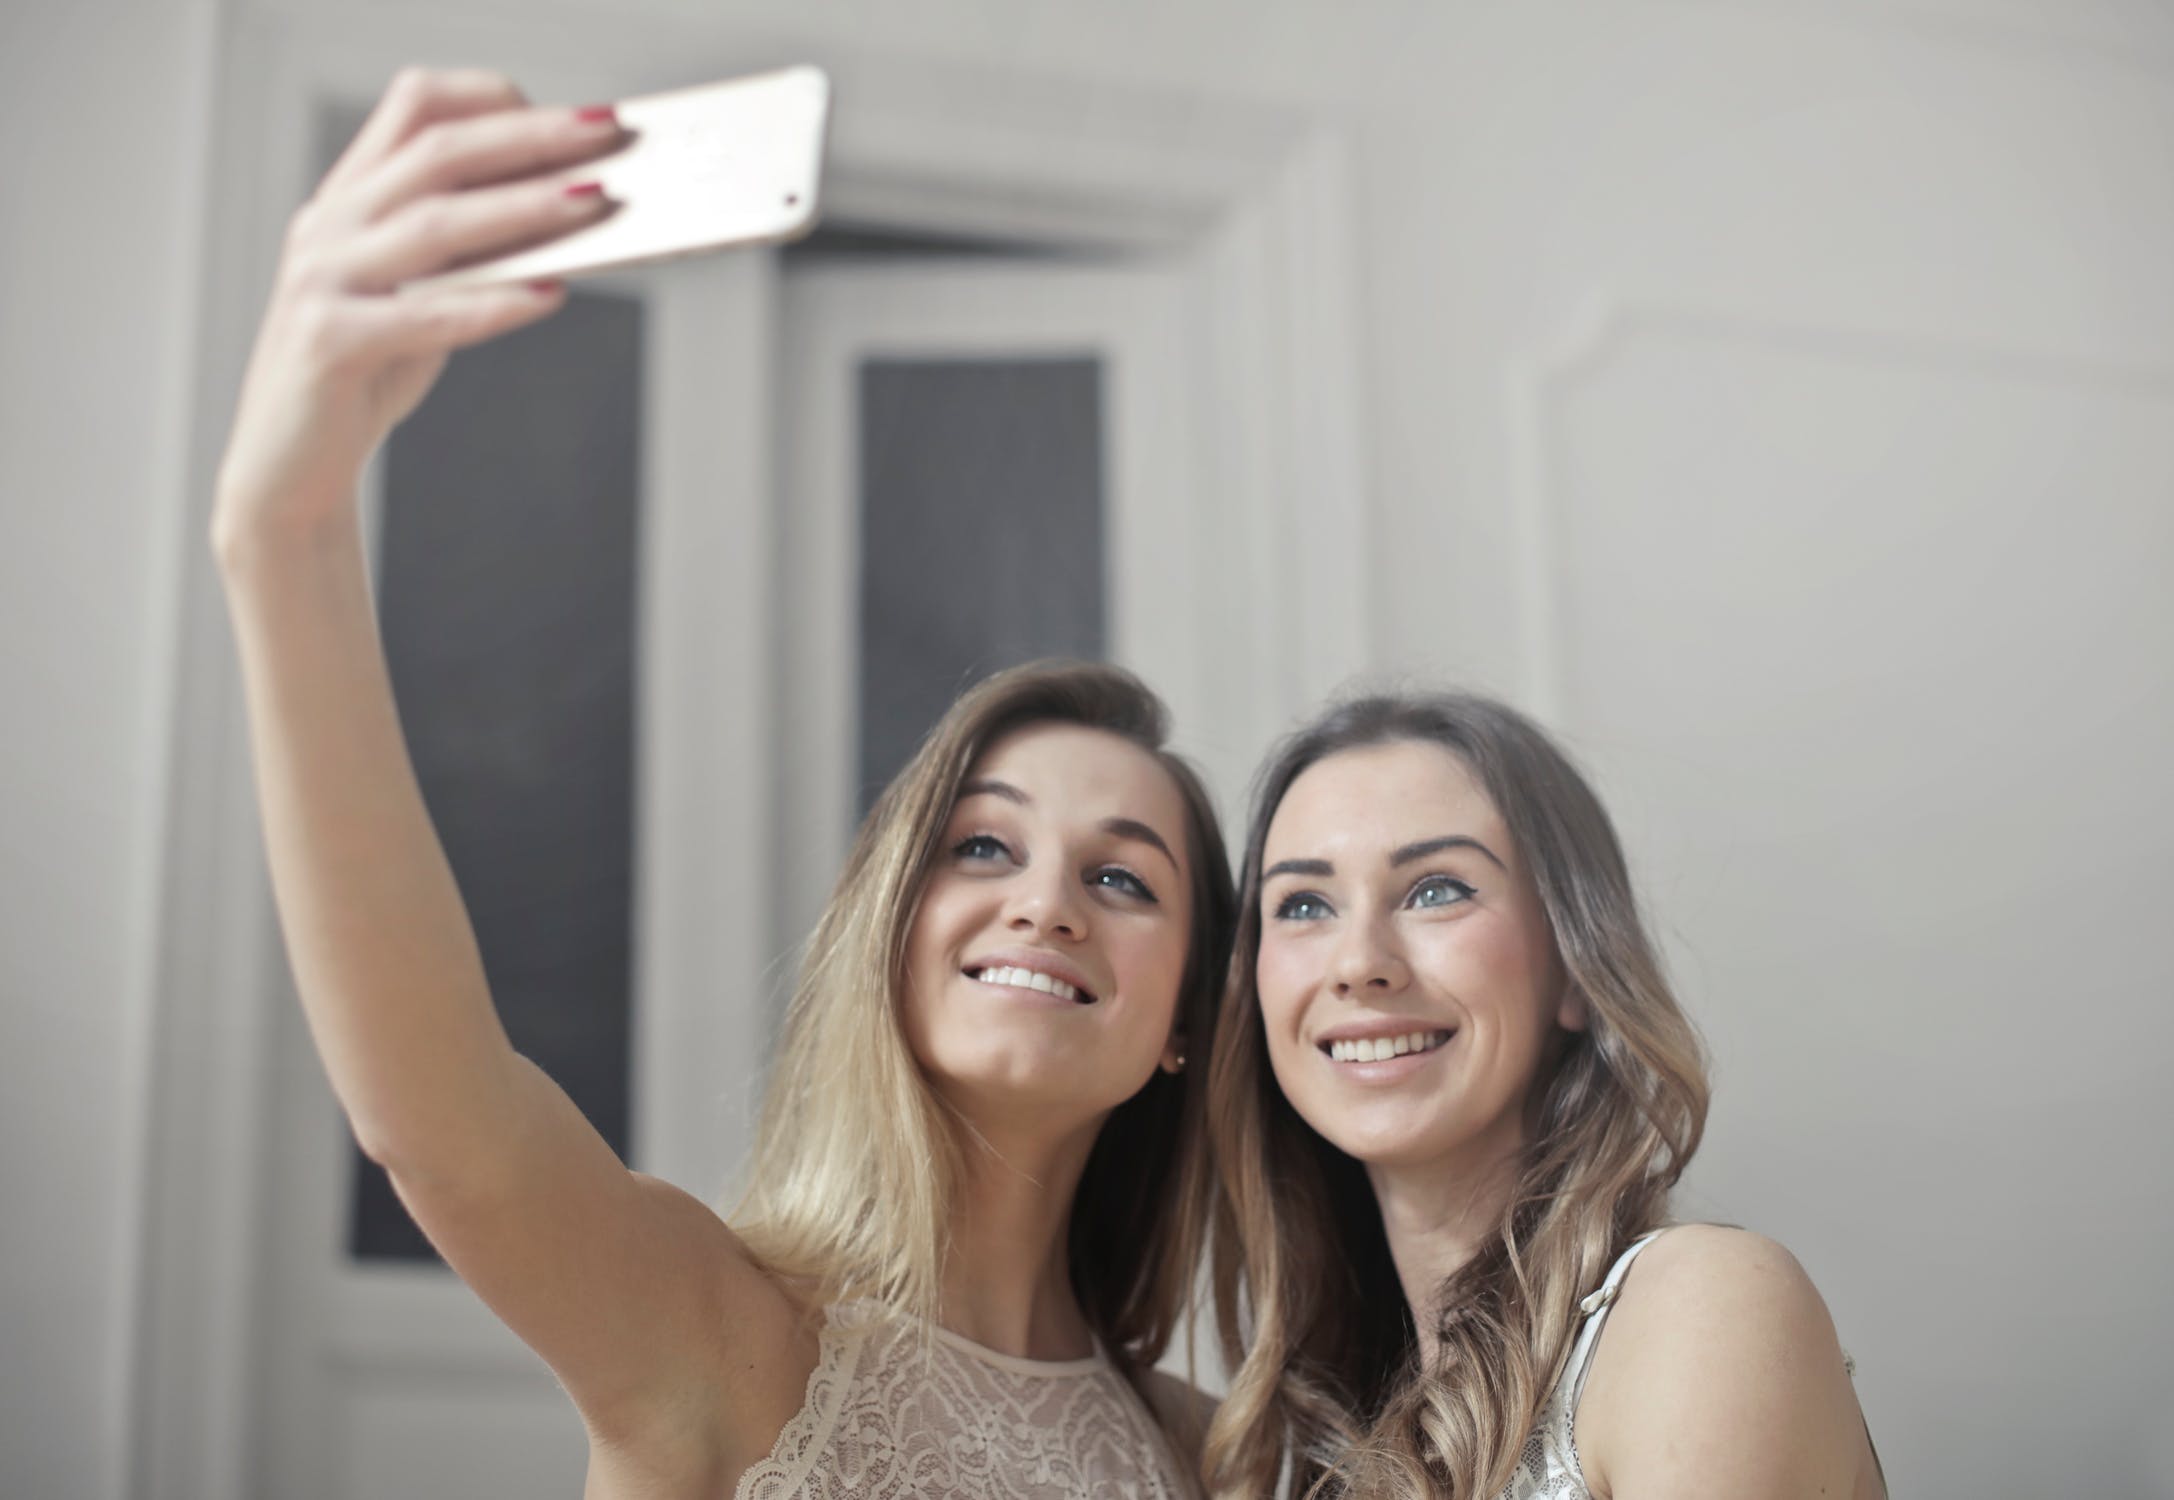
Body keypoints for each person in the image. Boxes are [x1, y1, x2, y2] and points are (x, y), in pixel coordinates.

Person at [211, 66, 1234, 1498]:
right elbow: (439, 1128)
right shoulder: (706, 1327)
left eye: (1122, 877)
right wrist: (285, 527)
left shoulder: (1208, 1457)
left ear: (1187, 1018)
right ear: (886, 922)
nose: (1045, 904)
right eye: (982, 850)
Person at [1202, 692, 1884, 1499]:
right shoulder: (1301, 1451)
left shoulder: (1707, 1305)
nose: (1359, 963)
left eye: (1435, 889)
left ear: (1572, 966)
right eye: (1304, 904)